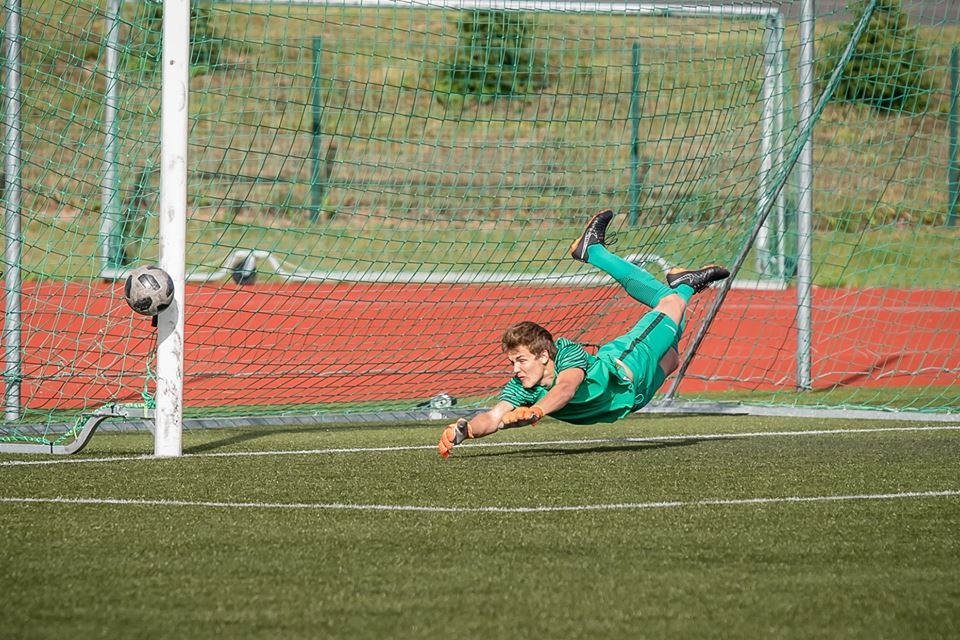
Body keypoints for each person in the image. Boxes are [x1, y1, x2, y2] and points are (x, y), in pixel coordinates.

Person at [438, 208, 730, 458]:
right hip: (634, 397)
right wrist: (465, 431)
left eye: (521, 361)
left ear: (543, 355)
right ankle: (684, 283)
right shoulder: (522, 388)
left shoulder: (567, 352)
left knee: (670, 304)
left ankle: (594, 251)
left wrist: (537, 412)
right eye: (513, 362)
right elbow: (493, 416)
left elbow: (566, 388)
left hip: (630, 361)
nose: (516, 369)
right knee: (672, 355)